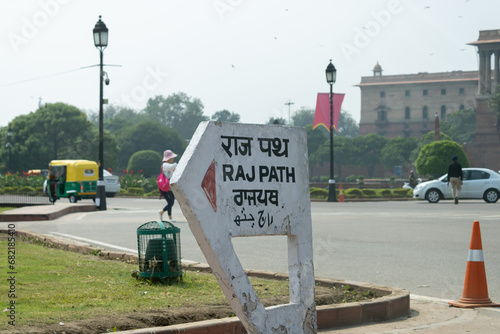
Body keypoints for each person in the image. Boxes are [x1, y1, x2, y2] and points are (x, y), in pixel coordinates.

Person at [158, 150, 177, 221]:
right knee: (170, 202)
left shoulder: (168, 166)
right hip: (165, 188)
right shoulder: (165, 165)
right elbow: (174, 166)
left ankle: (162, 212)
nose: (173, 159)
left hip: (169, 188)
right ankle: (170, 217)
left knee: (171, 202)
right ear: (168, 158)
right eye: (172, 157)